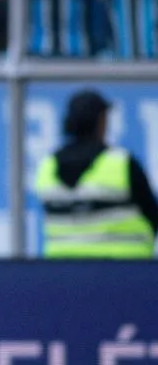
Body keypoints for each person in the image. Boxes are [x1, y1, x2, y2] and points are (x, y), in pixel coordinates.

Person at [34, 89, 158, 258]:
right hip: (124, 272)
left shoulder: (47, 165)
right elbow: (152, 215)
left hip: (63, 272)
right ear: (101, 121)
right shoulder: (120, 163)